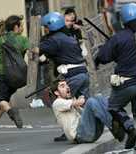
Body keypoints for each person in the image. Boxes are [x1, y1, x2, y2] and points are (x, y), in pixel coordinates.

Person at [95, 3, 136, 154]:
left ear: (123, 18)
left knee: (113, 107)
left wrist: (107, 48)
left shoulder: (118, 37)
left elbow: (103, 57)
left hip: (125, 82)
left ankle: (130, 129)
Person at [39, 12, 90, 142]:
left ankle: (69, 130)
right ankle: (88, 128)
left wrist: (31, 49)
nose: (44, 29)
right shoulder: (69, 37)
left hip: (73, 76)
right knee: (83, 105)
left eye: (45, 27)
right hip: (83, 73)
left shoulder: (54, 40)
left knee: (61, 102)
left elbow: (38, 50)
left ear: (51, 26)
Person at [0, 15, 30, 137]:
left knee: (0, 99)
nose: (22, 28)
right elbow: (33, 52)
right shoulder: (23, 40)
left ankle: (11, 112)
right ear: (16, 27)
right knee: (3, 101)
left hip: (3, 76)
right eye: (21, 25)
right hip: (18, 78)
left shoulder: (0, 39)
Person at [50, 77, 125, 143]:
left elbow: (85, 114)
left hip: (91, 132)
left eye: (66, 85)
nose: (67, 87)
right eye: (62, 86)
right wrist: (81, 99)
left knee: (99, 97)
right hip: (79, 135)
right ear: (56, 92)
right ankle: (113, 125)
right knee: (90, 101)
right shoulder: (57, 103)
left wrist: (82, 106)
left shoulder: (70, 101)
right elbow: (80, 102)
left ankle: (115, 123)